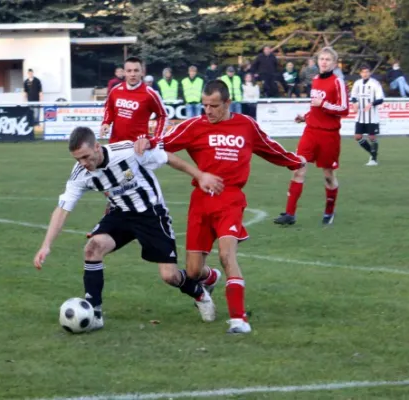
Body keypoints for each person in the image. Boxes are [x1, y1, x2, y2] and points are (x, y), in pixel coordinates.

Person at [135, 80, 305, 334]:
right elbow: (162, 144)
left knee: (227, 255)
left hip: (231, 199)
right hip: (200, 202)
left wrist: (295, 162)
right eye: (204, 105)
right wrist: (146, 141)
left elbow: (270, 148)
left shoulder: (246, 125)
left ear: (227, 103)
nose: (208, 111)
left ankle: (239, 320)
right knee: (193, 271)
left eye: (213, 106)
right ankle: (211, 278)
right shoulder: (194, 126)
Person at [33, 127, 225, 331]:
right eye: (77, 159)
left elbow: (167, 157)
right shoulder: (80, 174)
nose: (83, 164)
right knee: (93, 248)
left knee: (169, 276)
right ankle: (95, 314)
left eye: (86, 157)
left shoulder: (127, 152)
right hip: (121, 214)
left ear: (97, 147)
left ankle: (200, 293)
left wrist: (200, 175)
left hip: (151, 214)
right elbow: (62, 210)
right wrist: (46, 245)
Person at [274, 47, 349, 226]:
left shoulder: (338, 82)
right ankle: (290, 214)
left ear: (333, 63)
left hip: (329, 135)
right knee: (298, 167)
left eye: (327, 59)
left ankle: (329, 211)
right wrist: (305, 117)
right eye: (321, 59)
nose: (324, 62)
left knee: (328, 176)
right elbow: (315, 108)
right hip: (310, 131)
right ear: (317, 61)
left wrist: (323, 104)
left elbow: (344, 109)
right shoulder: (315, 80)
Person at [100, 56, 167, 142]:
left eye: (136, 70)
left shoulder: (150, 93)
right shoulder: (115, 90)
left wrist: (157, 138)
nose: (132, 74)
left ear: (142, 72)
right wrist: (106, 123)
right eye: (129, 71)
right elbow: (109, 108)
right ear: (124, 73)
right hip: (115, 144)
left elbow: (163, 116)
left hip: (138, 146)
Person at [351, 64, 384, 166]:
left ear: (370, 73)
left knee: (372, 137)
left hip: (372, 116)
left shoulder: (375, 84)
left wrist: (371, 104)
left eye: (367, 72)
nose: (365, 74)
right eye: (363, 72)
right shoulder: (357, 83)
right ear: (360, 73)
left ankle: (373, 159)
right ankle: (373, 153)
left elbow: (380, 99)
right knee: (357, 136)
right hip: (360, 116)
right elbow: (353, 96)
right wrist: (355, 104)